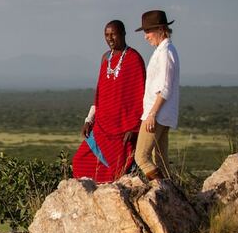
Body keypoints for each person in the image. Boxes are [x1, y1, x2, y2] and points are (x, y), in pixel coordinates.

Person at [72, 20, 145, 182]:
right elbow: (100, 94)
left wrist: (135, 128)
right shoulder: (105, 58)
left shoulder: (134, 59)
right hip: (101, 126)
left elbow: (139, 96)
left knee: (118, 168)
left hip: (123, 127)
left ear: (123, 34)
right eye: (106, 35)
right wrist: (89, 120)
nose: (110, 38)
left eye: (113, 34)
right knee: (80, 162)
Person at [134, 10, 179, 180]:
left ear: (161, 29)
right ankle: (173, 197)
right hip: (161, 113)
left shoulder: (166, 52)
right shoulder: (163, 50)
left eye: (148, 31)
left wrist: (152, 113)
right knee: (160, 160)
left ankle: (163, 192)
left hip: (157, 114)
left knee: (141, 157)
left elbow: (165, 87)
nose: (146, 36)